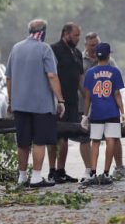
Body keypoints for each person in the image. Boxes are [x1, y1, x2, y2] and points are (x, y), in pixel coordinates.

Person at [5, 19, 65, 188]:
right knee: (39, 141)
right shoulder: (44, 48)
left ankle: (22, 177)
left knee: (22, 142)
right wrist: (60, 100)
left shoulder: (16, 48)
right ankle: (37, 177)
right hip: (41, 105)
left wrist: (11, 100)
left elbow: (9, 77)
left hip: (20, 104)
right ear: (43, 31)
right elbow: (52, 76)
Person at [83, 32, 125, 179]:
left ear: (96, 55)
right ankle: (106, 173)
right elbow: (117, 94)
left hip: (96, 112)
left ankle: (93, 172)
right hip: (112, 112)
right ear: (109, 56)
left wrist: (85, 115)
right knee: (111, 140)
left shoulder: (90, 72)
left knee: (95, 142)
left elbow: (88, 96)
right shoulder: (114, 71)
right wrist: (123, 113)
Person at [46, 23, 84, 183]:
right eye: (75, 35)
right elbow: (50, 75)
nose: (78, 39)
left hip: (72, 100)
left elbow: (81, 77)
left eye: (79, 36)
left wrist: (87, 97)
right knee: (54, 136)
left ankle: (61, 171)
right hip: (57, 100)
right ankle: (52, 170)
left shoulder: (77, 53)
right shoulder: (53, 50)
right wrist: (56, 98)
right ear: (66, 34)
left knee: (66, 136)